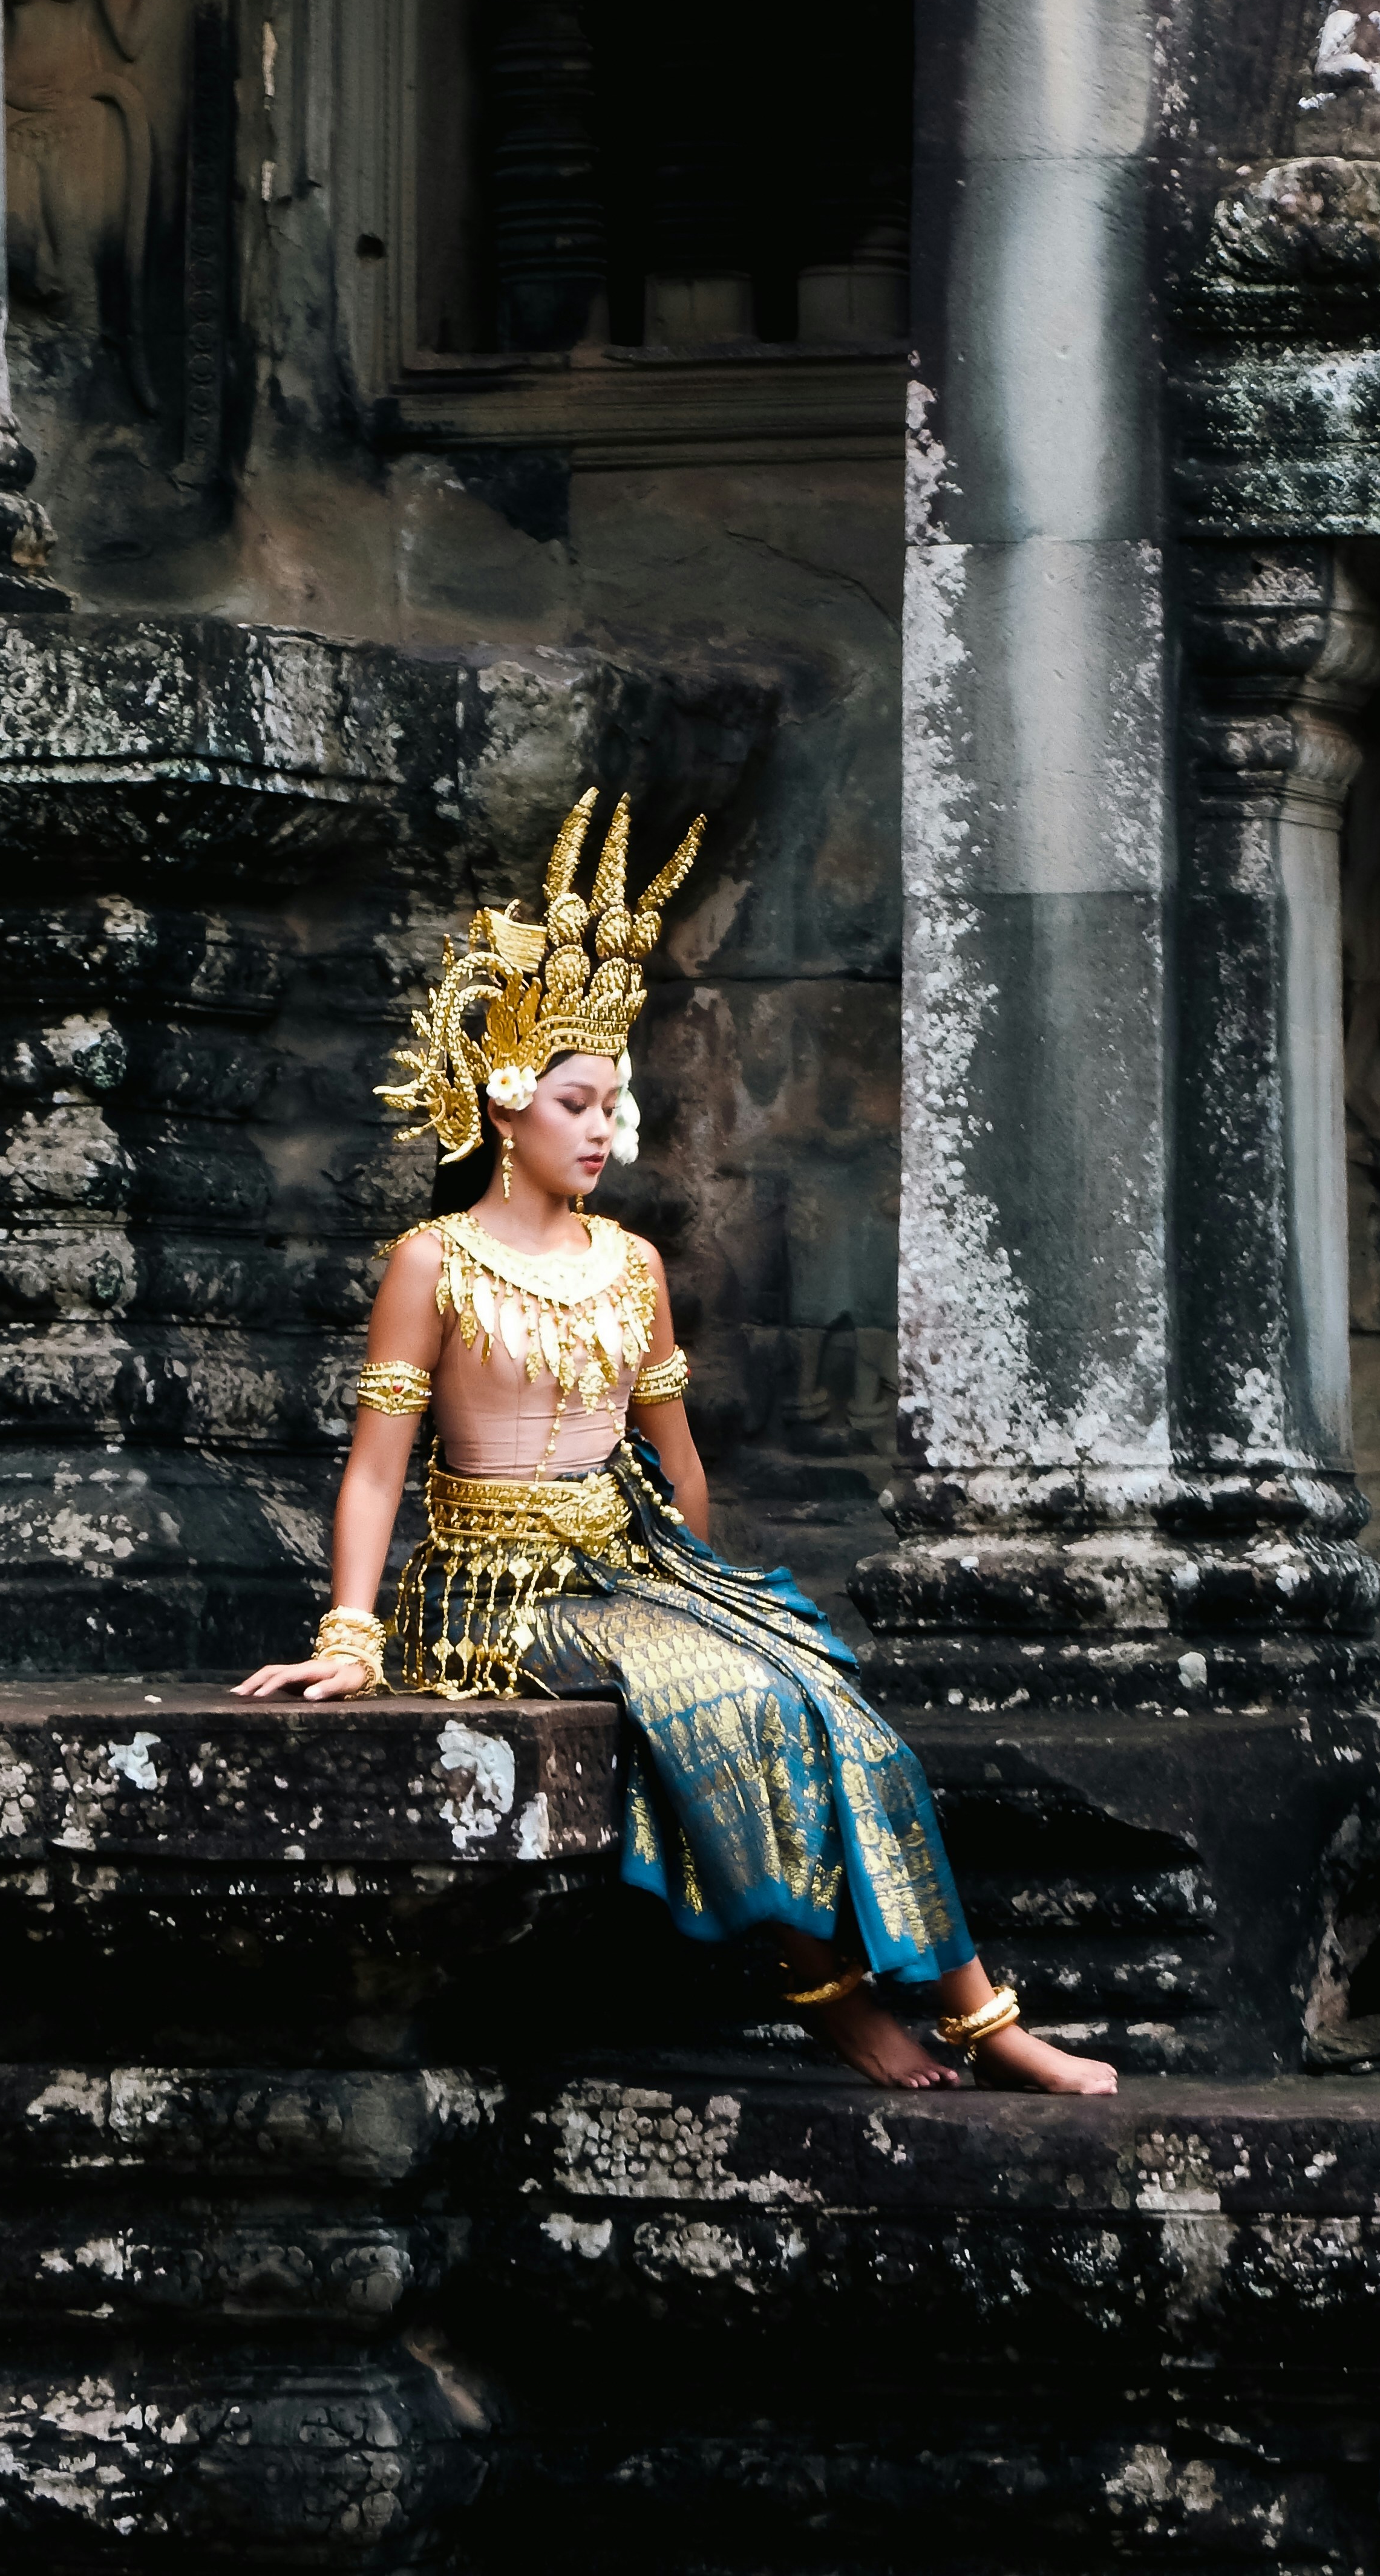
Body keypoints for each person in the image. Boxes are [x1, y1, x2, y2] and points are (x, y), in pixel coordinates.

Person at [234, 791, 1115, 2096]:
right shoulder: (434, 1262)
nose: (601, 1129)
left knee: (844, 1718)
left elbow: (678, 1462)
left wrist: (695, 1592)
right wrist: (350, 1637)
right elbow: (377, 1467)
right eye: (578, 1101)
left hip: (631, 1563)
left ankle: (985, 2021)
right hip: (492, 1598)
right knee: (741, 1714)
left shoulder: (633, 1264)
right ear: (509, 1099)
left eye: (612, 1103)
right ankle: (835, 2001)